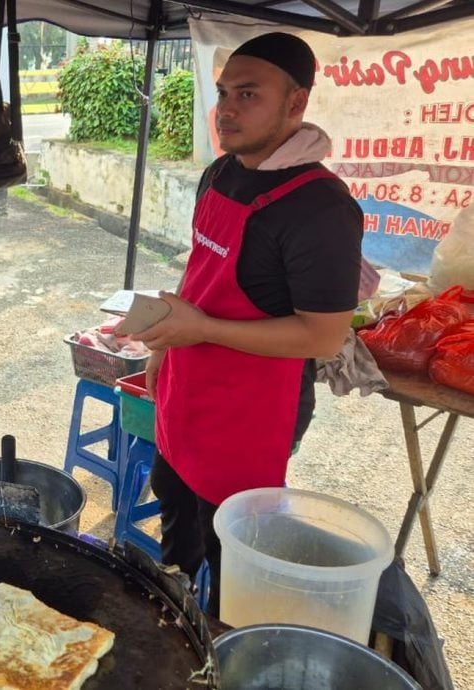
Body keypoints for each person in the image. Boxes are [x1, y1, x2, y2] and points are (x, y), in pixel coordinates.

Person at [129, 32, 363, 616]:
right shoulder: (222, 172)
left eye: (248, 95)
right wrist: (166, 348)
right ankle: (171, 613)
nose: (226, 109)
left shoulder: (322, 209)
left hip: (252, 411)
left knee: (234, 550)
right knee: (176, 513)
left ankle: (224, 644)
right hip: (187, 383)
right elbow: (200, 269)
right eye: (223, 93)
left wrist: (201, 330)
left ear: (296, 103)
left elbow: (323, 336)